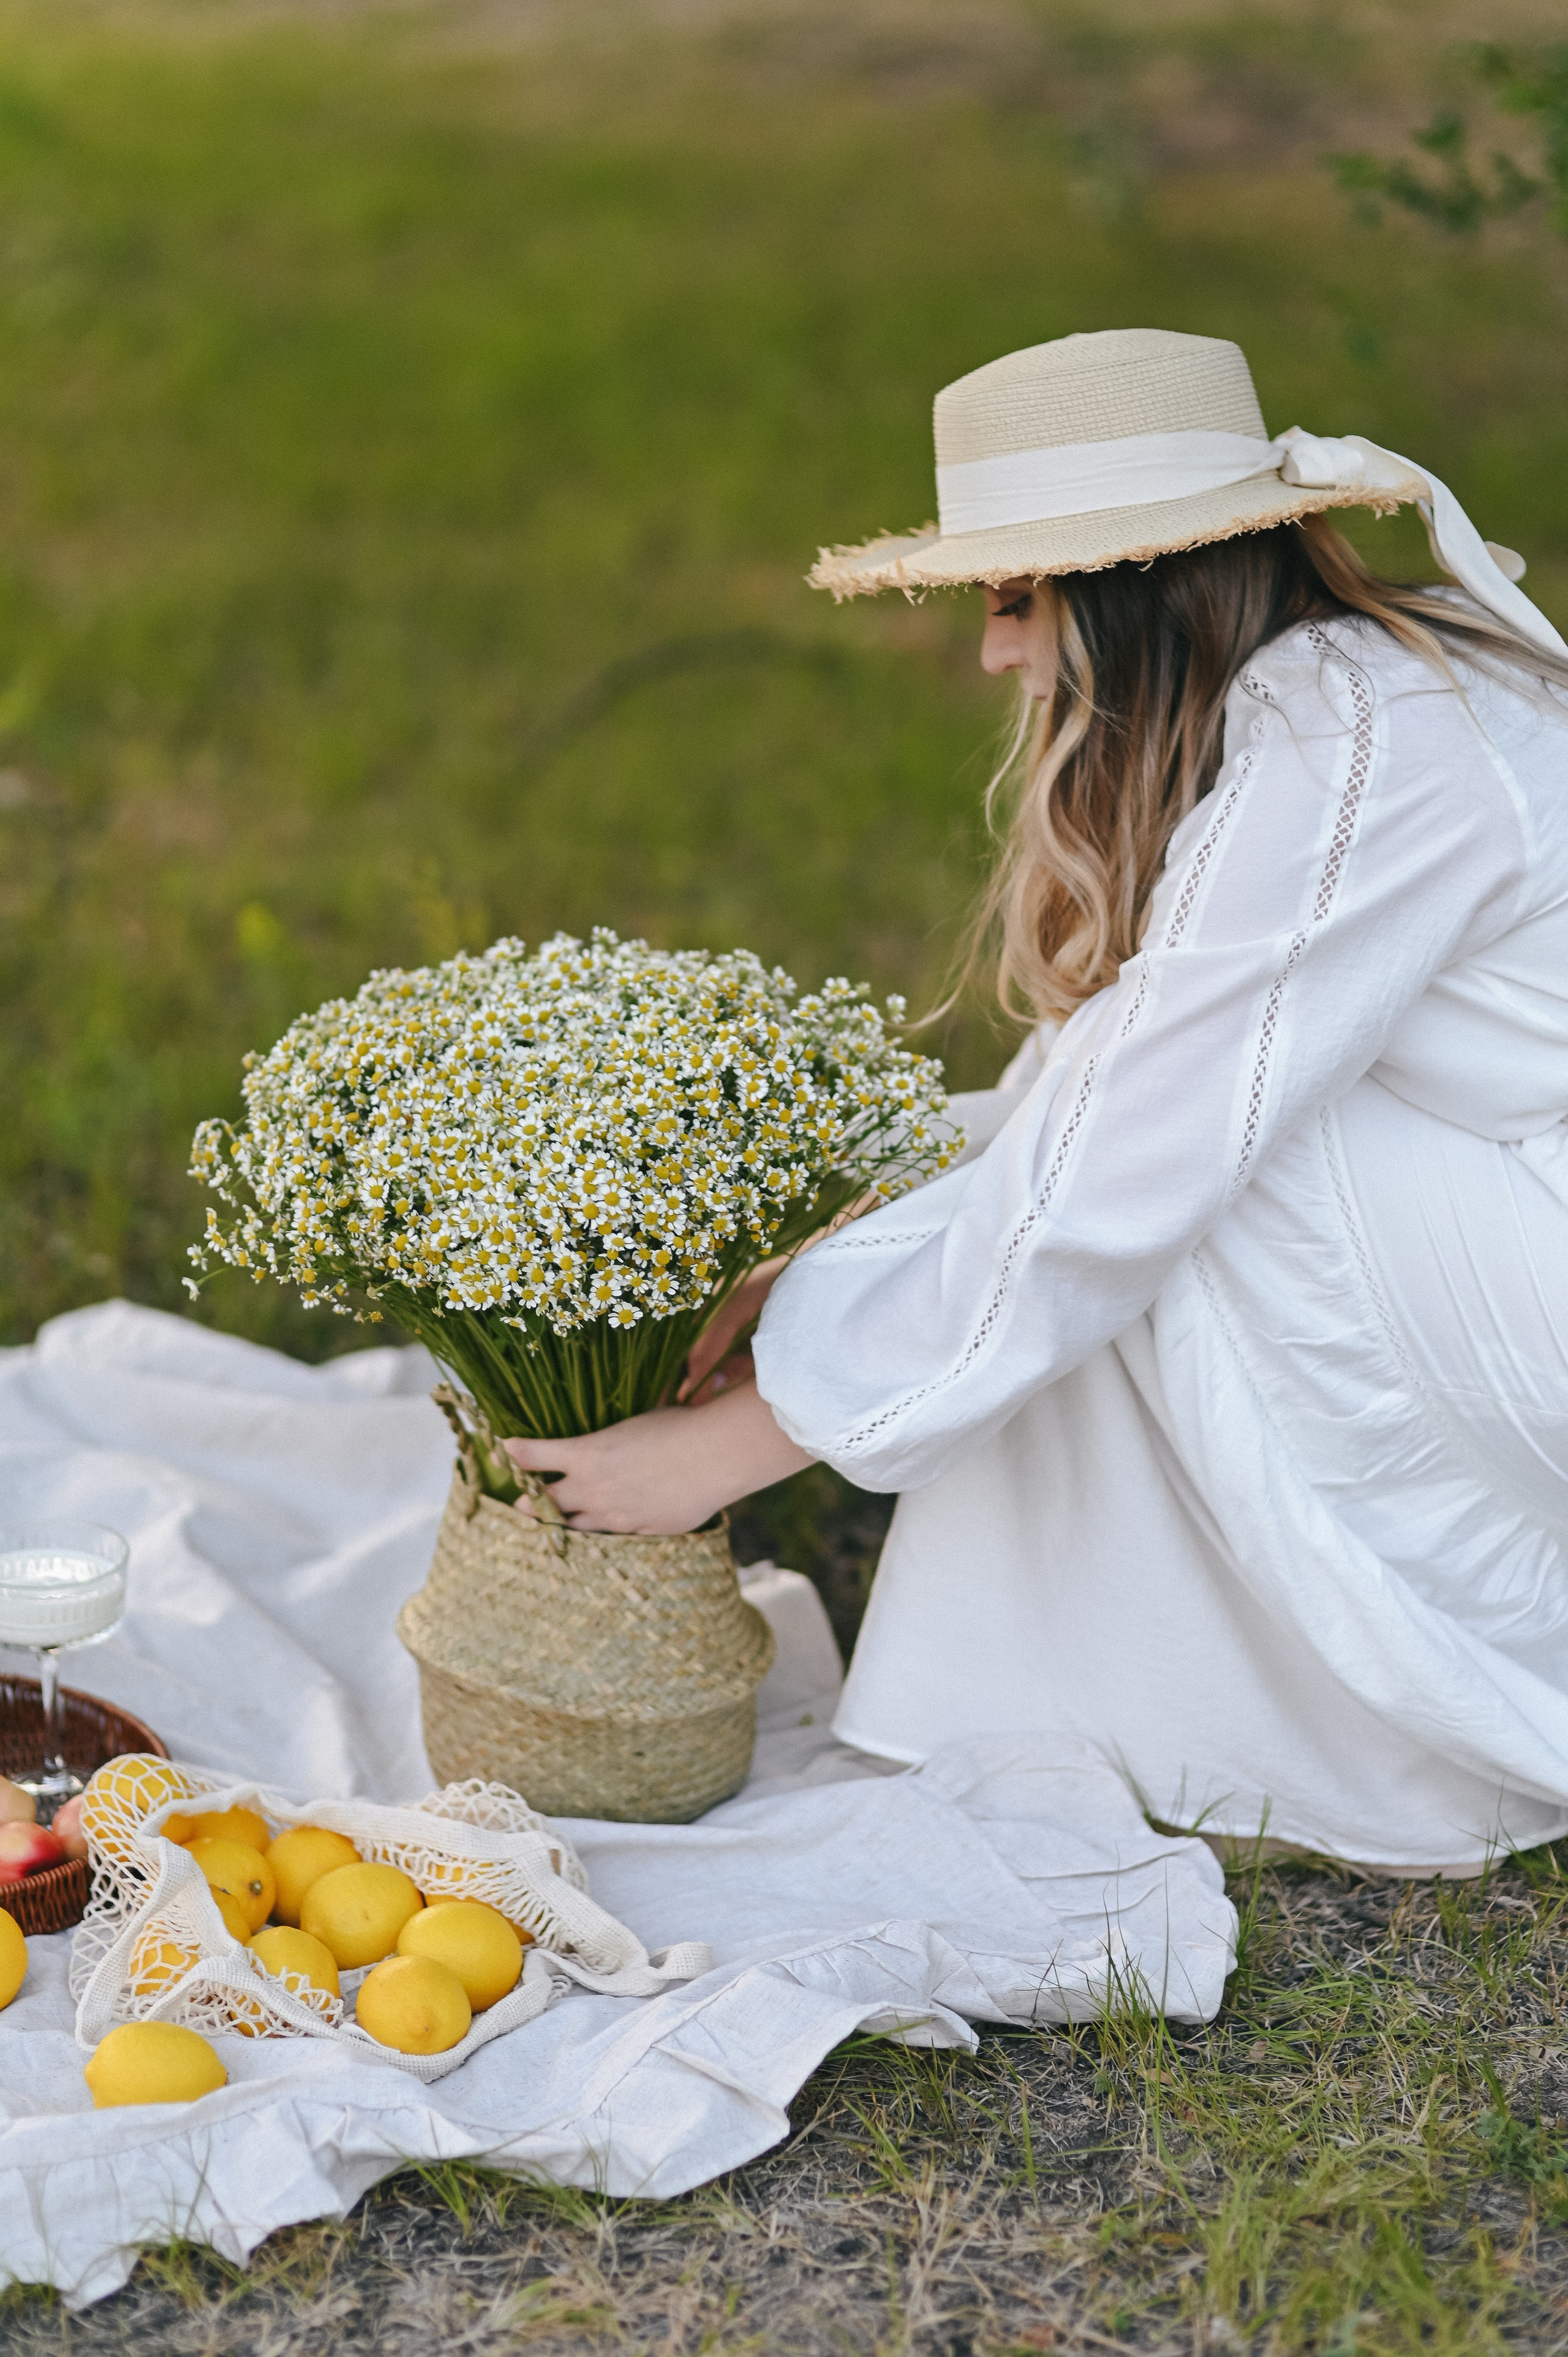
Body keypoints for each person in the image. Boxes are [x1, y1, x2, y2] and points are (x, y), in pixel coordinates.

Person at [506, 327, 1568, 1873]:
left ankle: (1346, 1718)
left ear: (1133, 587)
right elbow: (1100, 1087)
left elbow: (1138, 1144)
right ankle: (1102, 1678)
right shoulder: (1329, 695)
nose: (995, 651)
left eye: (1013, 597)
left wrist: (759, 1435)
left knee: (1211, 1165)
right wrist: (818, 1248)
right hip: (1499, 1209)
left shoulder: (1360, 746)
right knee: (1130, 1136)